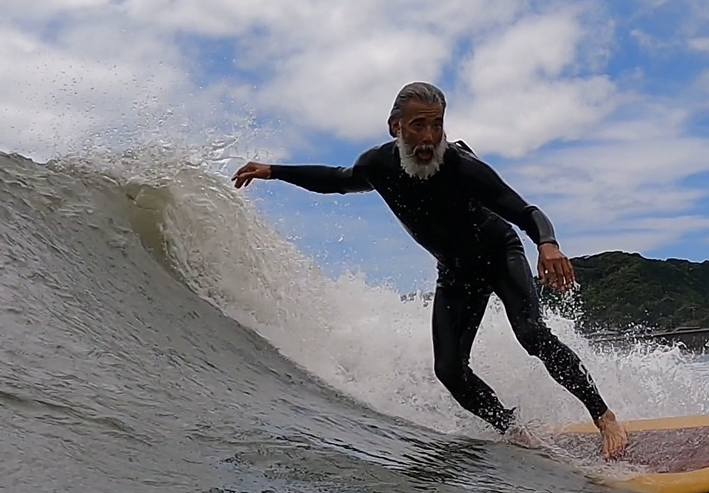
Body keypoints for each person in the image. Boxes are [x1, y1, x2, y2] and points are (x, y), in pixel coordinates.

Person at [232, 82, 629, 459]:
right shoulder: (377, 165)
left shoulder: (463, 167)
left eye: (436, 124)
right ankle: (514, 430)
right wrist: (274, 170)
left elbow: (525, 211)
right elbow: (337, 180)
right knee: (450, 370)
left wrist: (547, 242)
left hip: (498, 254)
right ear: (396, 127)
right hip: (456, 272)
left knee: (531, 334)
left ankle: (604, 417)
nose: (428, 137)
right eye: (418, 125)